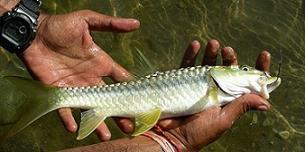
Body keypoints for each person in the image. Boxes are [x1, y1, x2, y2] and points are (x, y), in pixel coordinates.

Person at [0, 1, 272, 151]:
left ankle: (54, 99)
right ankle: (52, 99)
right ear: (220, 74)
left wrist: (33, 26)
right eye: (244, 70)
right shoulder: (211, 82)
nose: (250, 74)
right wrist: (172, 146)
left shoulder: (216, 88)